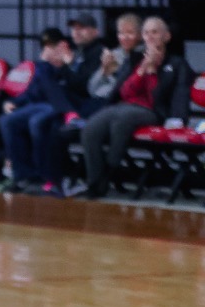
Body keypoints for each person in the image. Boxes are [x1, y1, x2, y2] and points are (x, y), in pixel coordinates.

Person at [80, 15, 191, 199]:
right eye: (146, 32)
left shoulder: (176, 64)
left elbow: (177, 94)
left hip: (152, 111)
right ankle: (94, 182)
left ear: (166, 36)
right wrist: (142, 70)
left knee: (122, 120)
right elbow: (125, 92)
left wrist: (177, 119)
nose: (150, 36)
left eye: (155, 32)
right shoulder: (134, 59)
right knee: (90, 129)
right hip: (124, 105)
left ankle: (109, 171)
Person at [0, 28, 83, 193]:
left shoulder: (73, 60)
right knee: (7, 121)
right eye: (45, 47)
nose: (48, 50)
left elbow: (80, 87)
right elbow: (31, 92)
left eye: (52, 46)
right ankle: (23, 175)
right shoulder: (43, 67)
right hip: (40, 106)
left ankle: (46, 177)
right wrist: (14, 101)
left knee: (38, 121)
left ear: (62, 45)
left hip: (64, 105)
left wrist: (67, 65)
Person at [87, 11, 144, 102]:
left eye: (130, 32)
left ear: (140, 35)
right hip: (102, 100)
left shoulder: (145, 56)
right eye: (121, 33)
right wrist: (104, 71)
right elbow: (91, 89)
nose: (124, 37)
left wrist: (115, 74)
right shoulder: (113, 55)